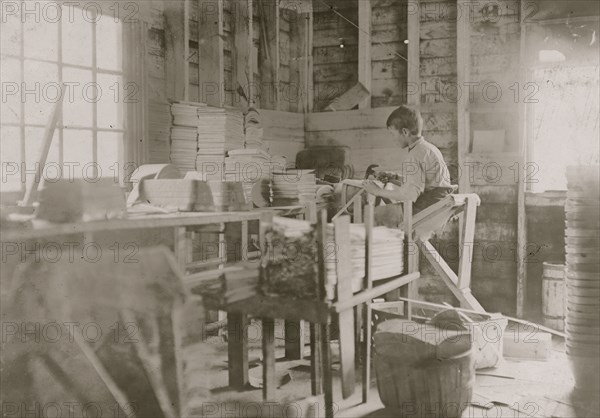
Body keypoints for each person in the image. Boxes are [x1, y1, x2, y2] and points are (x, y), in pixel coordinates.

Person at [362, 105, 454, 228]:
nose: (393, 139)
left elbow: (409, 195)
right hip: (437, 206)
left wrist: (377, 191)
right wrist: (394, 177)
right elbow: (422, 183)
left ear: (405, 132)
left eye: (392, 133)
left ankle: (390, 247)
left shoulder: (413, 156)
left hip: (426, 210)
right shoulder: (429, 148)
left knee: (372, 215)